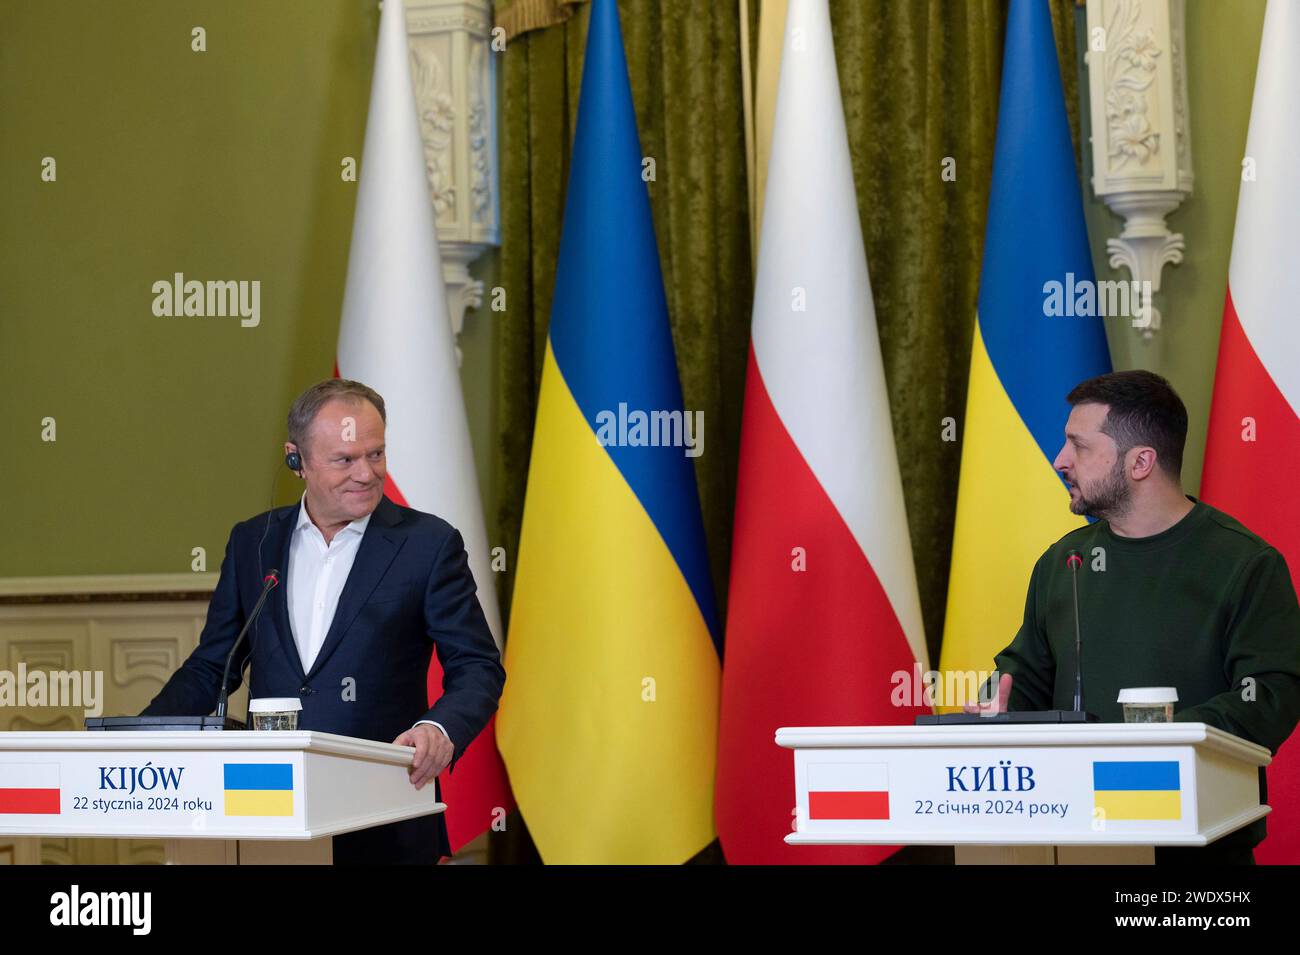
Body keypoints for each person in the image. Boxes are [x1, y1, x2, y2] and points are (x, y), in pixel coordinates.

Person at [143, 378, 506, 864]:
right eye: (345, 460)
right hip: (268, 815)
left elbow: (478, 666)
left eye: (376, 455)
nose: (366, 474)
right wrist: (138, 736)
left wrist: (439, 730)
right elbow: (214, 667)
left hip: (385, 814)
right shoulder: (254, 542)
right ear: (296, 460)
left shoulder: (428, 545)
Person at [966, 370, 1300, 864]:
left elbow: (1272, 695)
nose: (1059, 461)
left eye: (1078, 447)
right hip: (1069, 837)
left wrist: (1162, 744)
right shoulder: (1063, 563)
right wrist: (995, 703)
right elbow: (1023, 678)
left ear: (1141, 461)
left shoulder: (1246, 564)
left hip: (1196, 849)